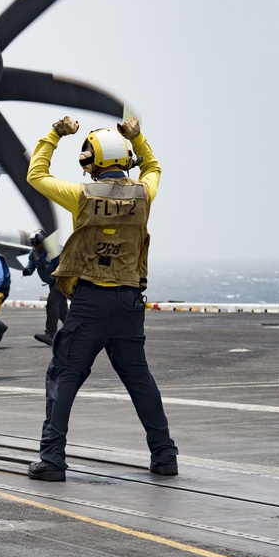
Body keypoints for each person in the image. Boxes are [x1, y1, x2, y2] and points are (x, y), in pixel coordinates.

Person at [24, 116, 178, 482]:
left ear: (91, 161)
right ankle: (165, 455)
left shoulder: (81, 195)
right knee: (140, 380)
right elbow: (154, 167)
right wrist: (137, 137)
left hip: (90, 302)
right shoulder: (145, 193)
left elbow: (36, 175)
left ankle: (53, 460)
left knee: (63, 376)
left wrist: (55, 134)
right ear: (124, 159)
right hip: (129, 304)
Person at [22, 229, 68, 345]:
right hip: (52, 282)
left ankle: (50, 334)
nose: (35, 245)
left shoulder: (56, 251)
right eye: (32, 243)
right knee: (62, 311)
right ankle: (76, 331)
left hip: (61, 280)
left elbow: (63, 269)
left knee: (52, 303)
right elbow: (31, 265)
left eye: (37, 243)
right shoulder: (34, 253)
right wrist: (28, 270)